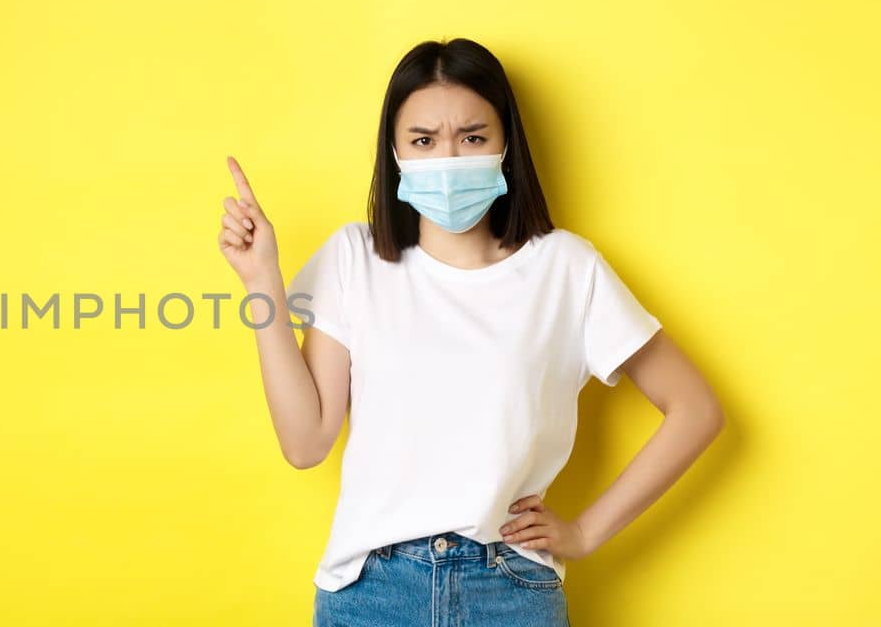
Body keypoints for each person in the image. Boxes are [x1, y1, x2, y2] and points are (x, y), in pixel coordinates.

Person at [215, 38, 726, 627]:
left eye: (473, 137)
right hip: (370, 594)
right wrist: (261, 281)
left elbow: (695, 409)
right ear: (396, 152)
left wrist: (585, 531)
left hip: (510, 590)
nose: (449, 159)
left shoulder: (566, 269)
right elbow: (305, 444)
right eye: (424, 140)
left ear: (506, 144)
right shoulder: (354, 258)